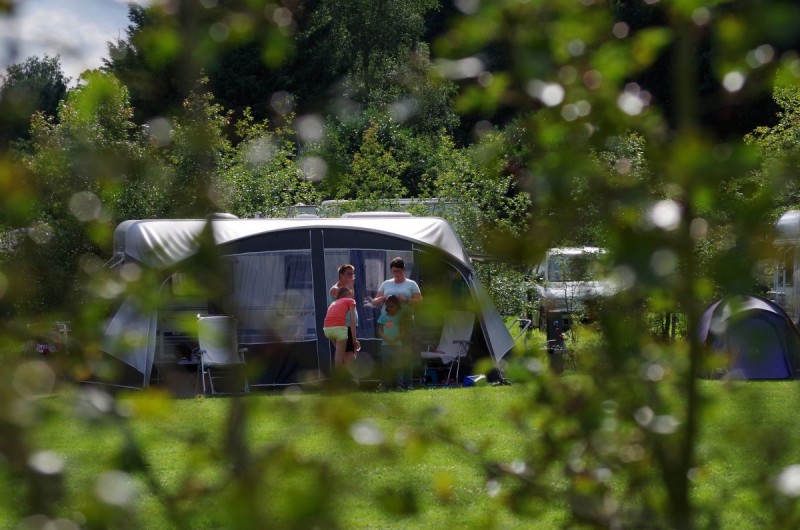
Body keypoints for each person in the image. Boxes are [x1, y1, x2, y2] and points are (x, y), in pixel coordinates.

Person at [378, 295, 412, 389]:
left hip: (397, 345)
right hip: (385, 345)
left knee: (398, 366)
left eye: (392, 306)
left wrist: (395, 339)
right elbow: (380, 330)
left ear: (397, 306)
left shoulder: (400, 317)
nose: (390, 308)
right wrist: (386, 338)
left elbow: (403, 331)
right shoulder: (383, 317)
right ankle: (384, 385)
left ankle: (399, 385)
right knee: (385, 366)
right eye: (388, 306)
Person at [323, 286, 360, 367]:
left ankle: (342, 373)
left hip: (327, 330)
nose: (352, 296)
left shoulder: (334, 303)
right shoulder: (350, 301)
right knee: (341, 359)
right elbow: (352, 321)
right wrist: (354, 339)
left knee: (342, 354)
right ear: (347, 294)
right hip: (339, 329)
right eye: (350, 294)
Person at [329, 264, 358, 360]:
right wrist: (351, 285)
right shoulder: (335, 289)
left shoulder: (347, 288)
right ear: (341, 275)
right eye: (349, 274)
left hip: (350, 325)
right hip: (342, 326)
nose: (351, 276)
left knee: (347, 355)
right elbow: (350, 300)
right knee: (348, 355)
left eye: (353, 274)